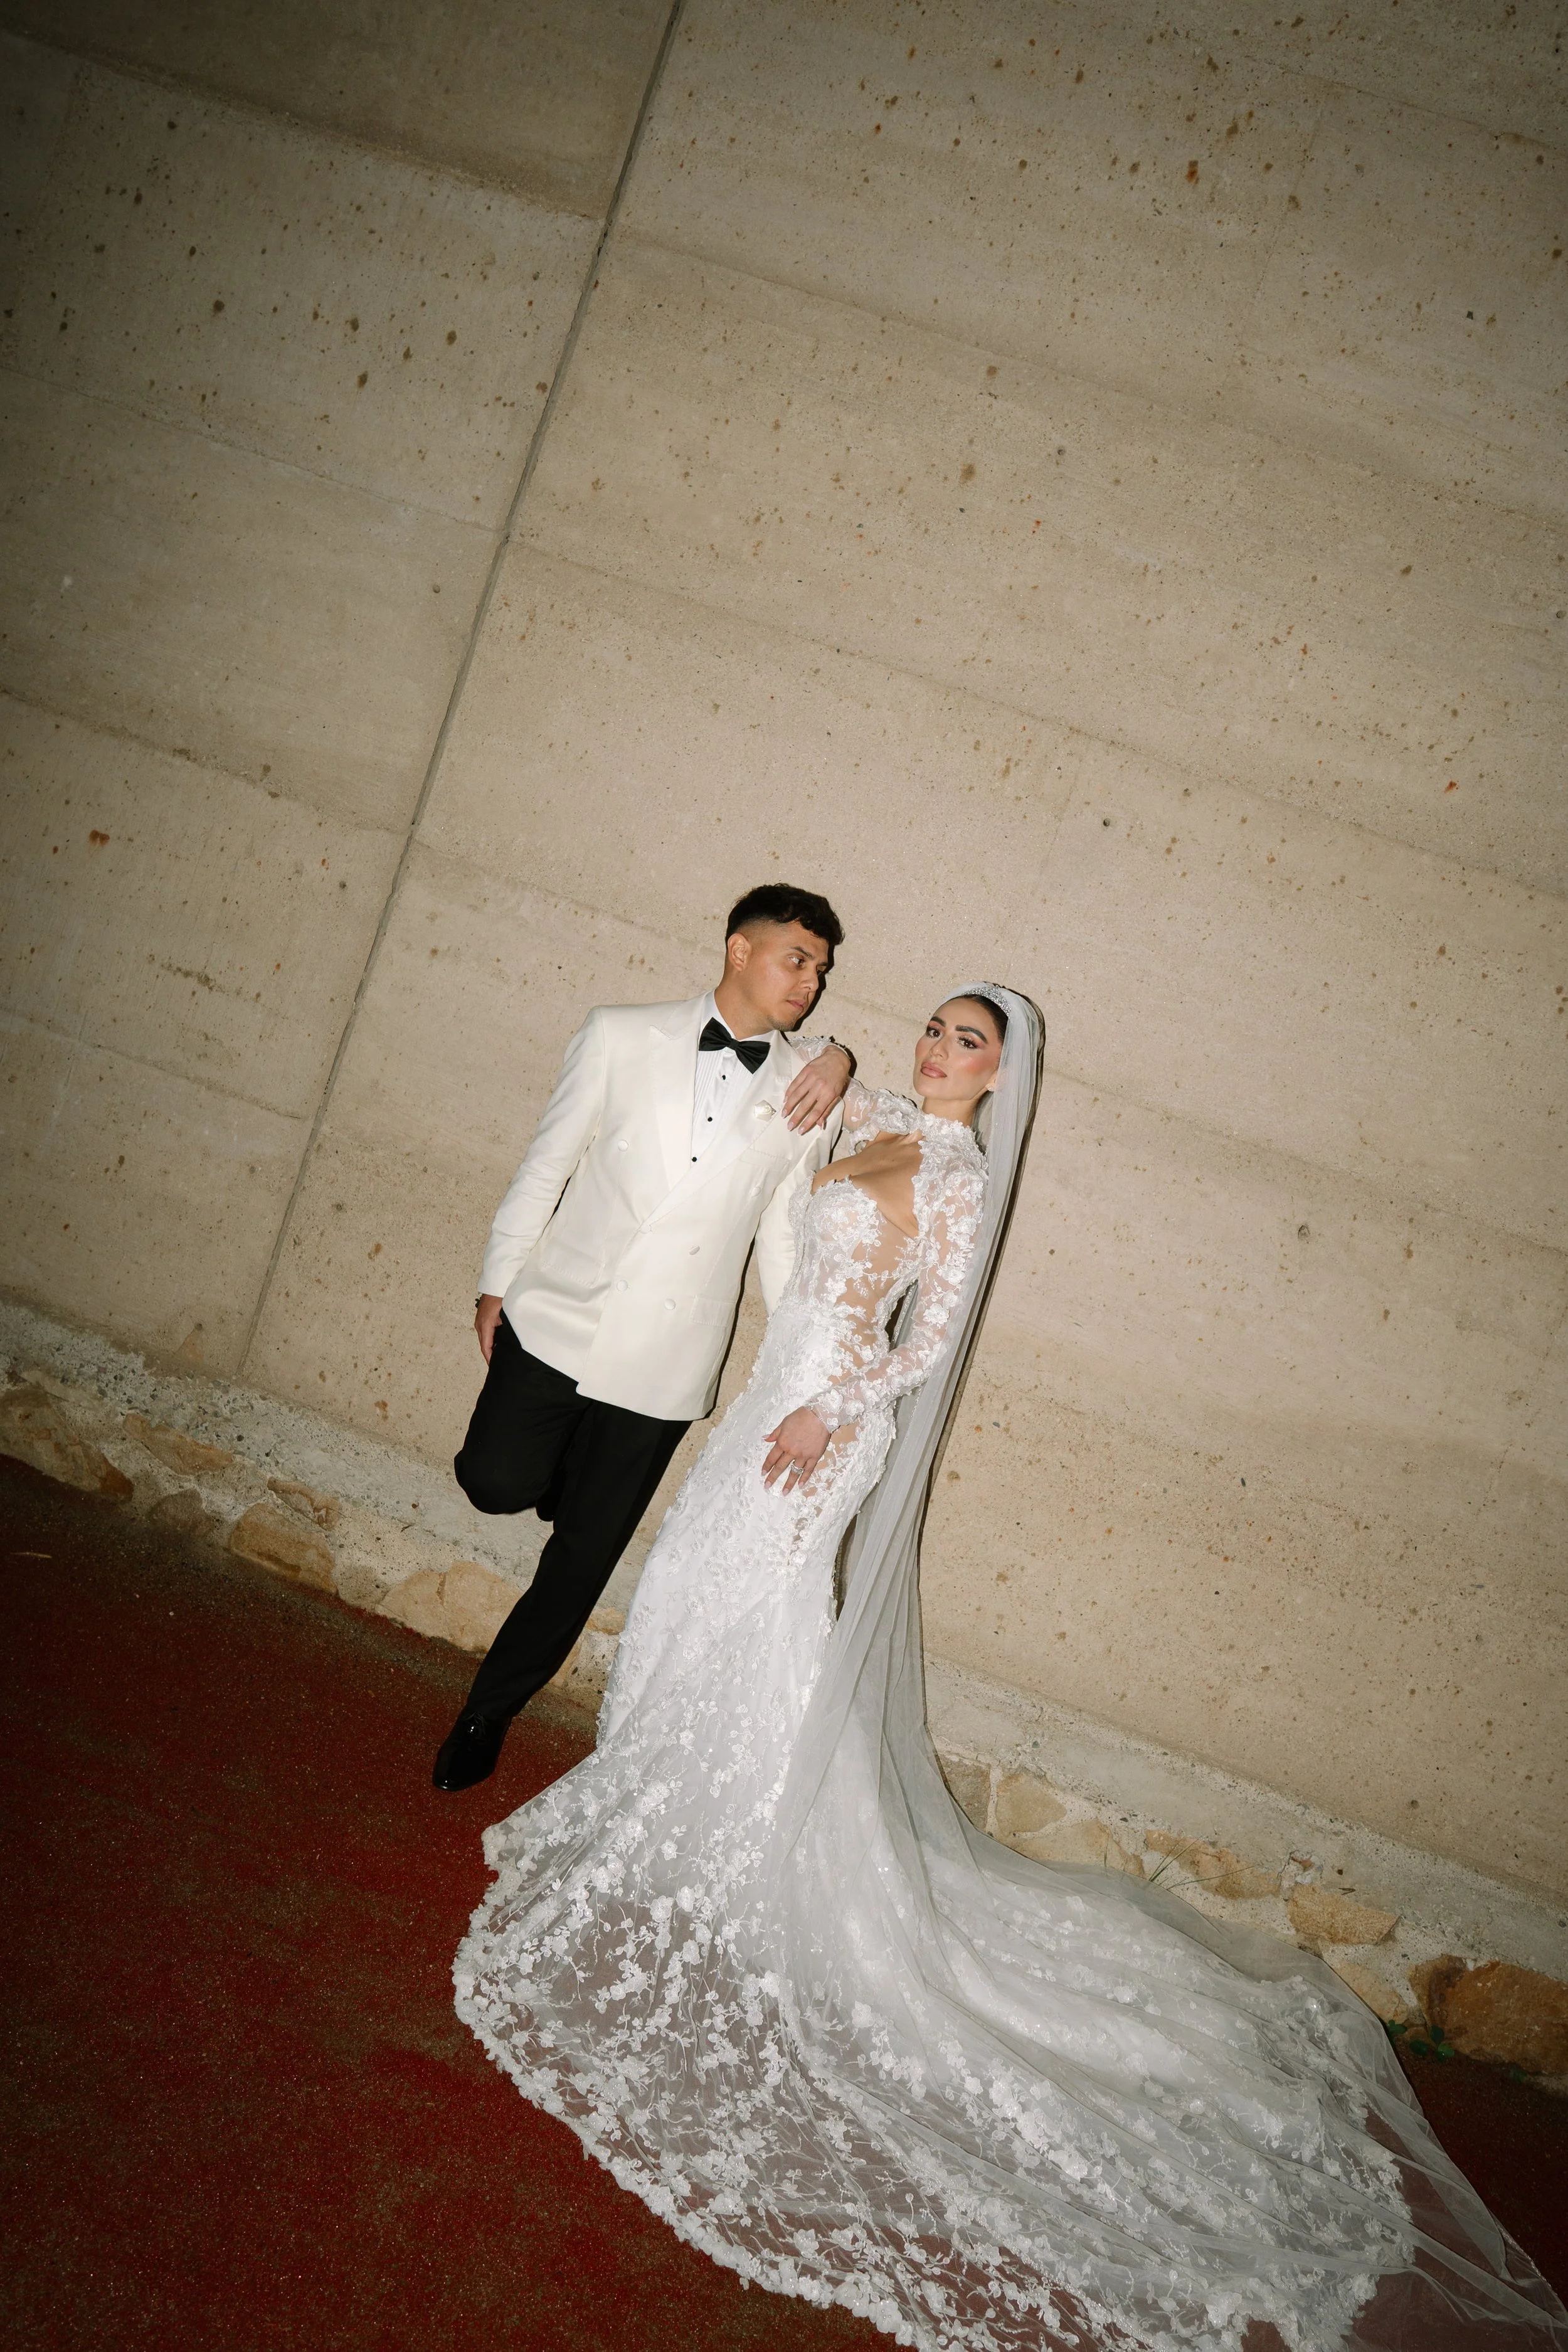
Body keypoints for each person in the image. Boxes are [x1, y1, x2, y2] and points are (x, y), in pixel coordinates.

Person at [455, 987, 1567, 2352]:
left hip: (819, 1418)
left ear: (1000, 1076)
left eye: (964, 1043)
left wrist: (825, 1408)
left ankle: (739, 1850)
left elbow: (921, 1340)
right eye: (930, 1028)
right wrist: (852, 1054)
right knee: (696, 1600)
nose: (937, 1050)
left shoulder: (958, 1172)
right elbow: (799, 1115)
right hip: (769, 1395)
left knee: (751, 1608)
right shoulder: (871, 1108)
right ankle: (679, 1809)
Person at [432, 884, 855, 1794]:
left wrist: (801, 1372)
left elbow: (785, 1242)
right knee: (493, 1480)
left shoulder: (807, 1090)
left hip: (666, 1360)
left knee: (582, 1559)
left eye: (821, 970)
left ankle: (486, 1710)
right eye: (798, 959)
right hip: (556, 1314)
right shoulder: (619, 1034)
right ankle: (551, 1473)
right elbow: (546, 1160)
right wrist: (496, 1279)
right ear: (740, 949)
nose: (812, 983)